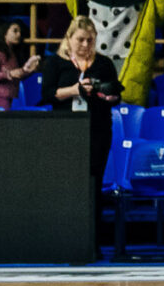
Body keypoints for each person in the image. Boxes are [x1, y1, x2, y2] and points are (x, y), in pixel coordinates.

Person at [64, 0, 164, 107]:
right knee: (92, 102)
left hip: (127, 56)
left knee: (125, 105)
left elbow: (160, 18)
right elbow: (77, 13)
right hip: (96, 55)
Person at [43, 16, 123, 175]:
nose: (86, 45)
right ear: (69, 37)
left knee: (94, 176)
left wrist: (110, 97)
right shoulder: (55, 62)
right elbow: (47, 94)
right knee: (66, 175)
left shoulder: (104, 63)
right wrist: (74, 90)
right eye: (80, 40)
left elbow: (115, 95)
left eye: (90, 40)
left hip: (97, 128)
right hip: (65, 127)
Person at [0, 17, 42, 108]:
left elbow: (17, 75)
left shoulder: (13, 54)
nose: (19, 34)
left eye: (20, 32)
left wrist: (29, 70)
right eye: (15, 31)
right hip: (0, 97)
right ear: (5, 34)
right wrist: (8, 74)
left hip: (10, 97)